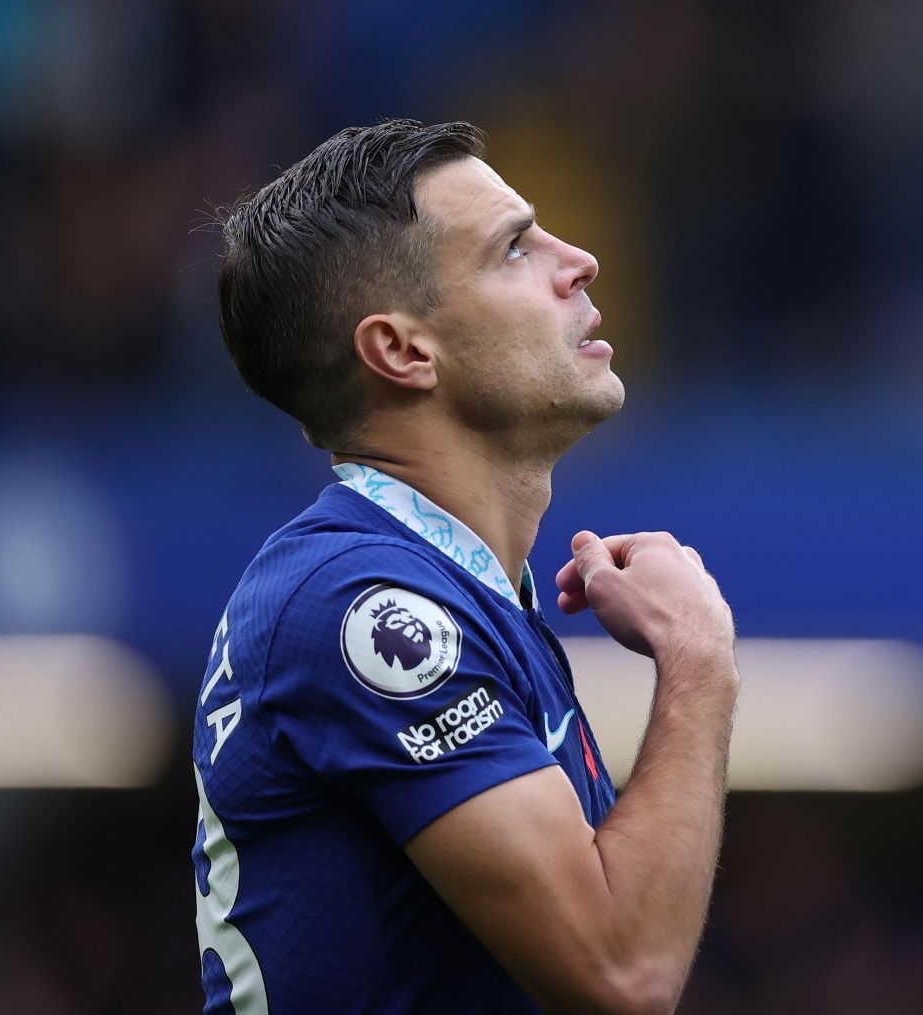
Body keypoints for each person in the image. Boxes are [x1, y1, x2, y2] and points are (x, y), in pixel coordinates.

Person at [192, 119, 739, 1014]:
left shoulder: (460, 595)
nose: (582, 260)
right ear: (403, 351)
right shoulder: (360, 605)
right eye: (516, 248)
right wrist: (698, 655)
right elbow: (621, 971)